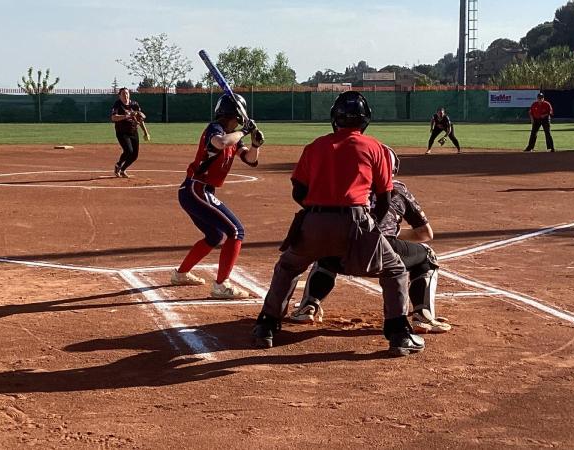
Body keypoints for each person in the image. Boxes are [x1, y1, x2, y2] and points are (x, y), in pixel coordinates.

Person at [251, 91, 424, 357]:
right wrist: (371, 227)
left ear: (335, 118)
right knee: (395, 270)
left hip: (314, 221)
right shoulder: (374, 147)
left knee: (288, 266)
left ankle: (266, 326)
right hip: (356, 221)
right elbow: (385, 198)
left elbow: (298, 190)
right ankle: (399, 333)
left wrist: (316, 211)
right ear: (365, 120)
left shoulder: (315, 146)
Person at [291, 145, 451, 334]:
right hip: (384, 256)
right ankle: (423, 315)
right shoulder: (398, 189)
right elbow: (425, 234)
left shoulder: (345, 186)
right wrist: (391, 233)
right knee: (428, 256)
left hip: (342, 257)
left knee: (329, 243)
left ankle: (308, 306)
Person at [170, 93, 265, 299]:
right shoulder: (216, 129)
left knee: (214, 236)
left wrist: (255, 145)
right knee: (236, 231)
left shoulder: (233, 136)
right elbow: (221, 142)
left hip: (200, 192)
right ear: (235, 116)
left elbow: (250, 160)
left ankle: (180, 274)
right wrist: (244, 131)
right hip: (196, 190)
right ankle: (221, 285)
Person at [110, 87, 146, 178]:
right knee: (128, 151)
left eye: (127, 93)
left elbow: (140, 119)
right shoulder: (117, 104)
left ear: (129, 94)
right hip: (122, 132)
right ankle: (118, 165)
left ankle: (122, 170)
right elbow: (113, 118)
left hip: (133, 131)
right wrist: (126, 116)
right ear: (119, 96)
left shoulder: (134, 104)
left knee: (134, 155)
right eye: (123, 94)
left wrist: (145, 132)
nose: (125, 95)